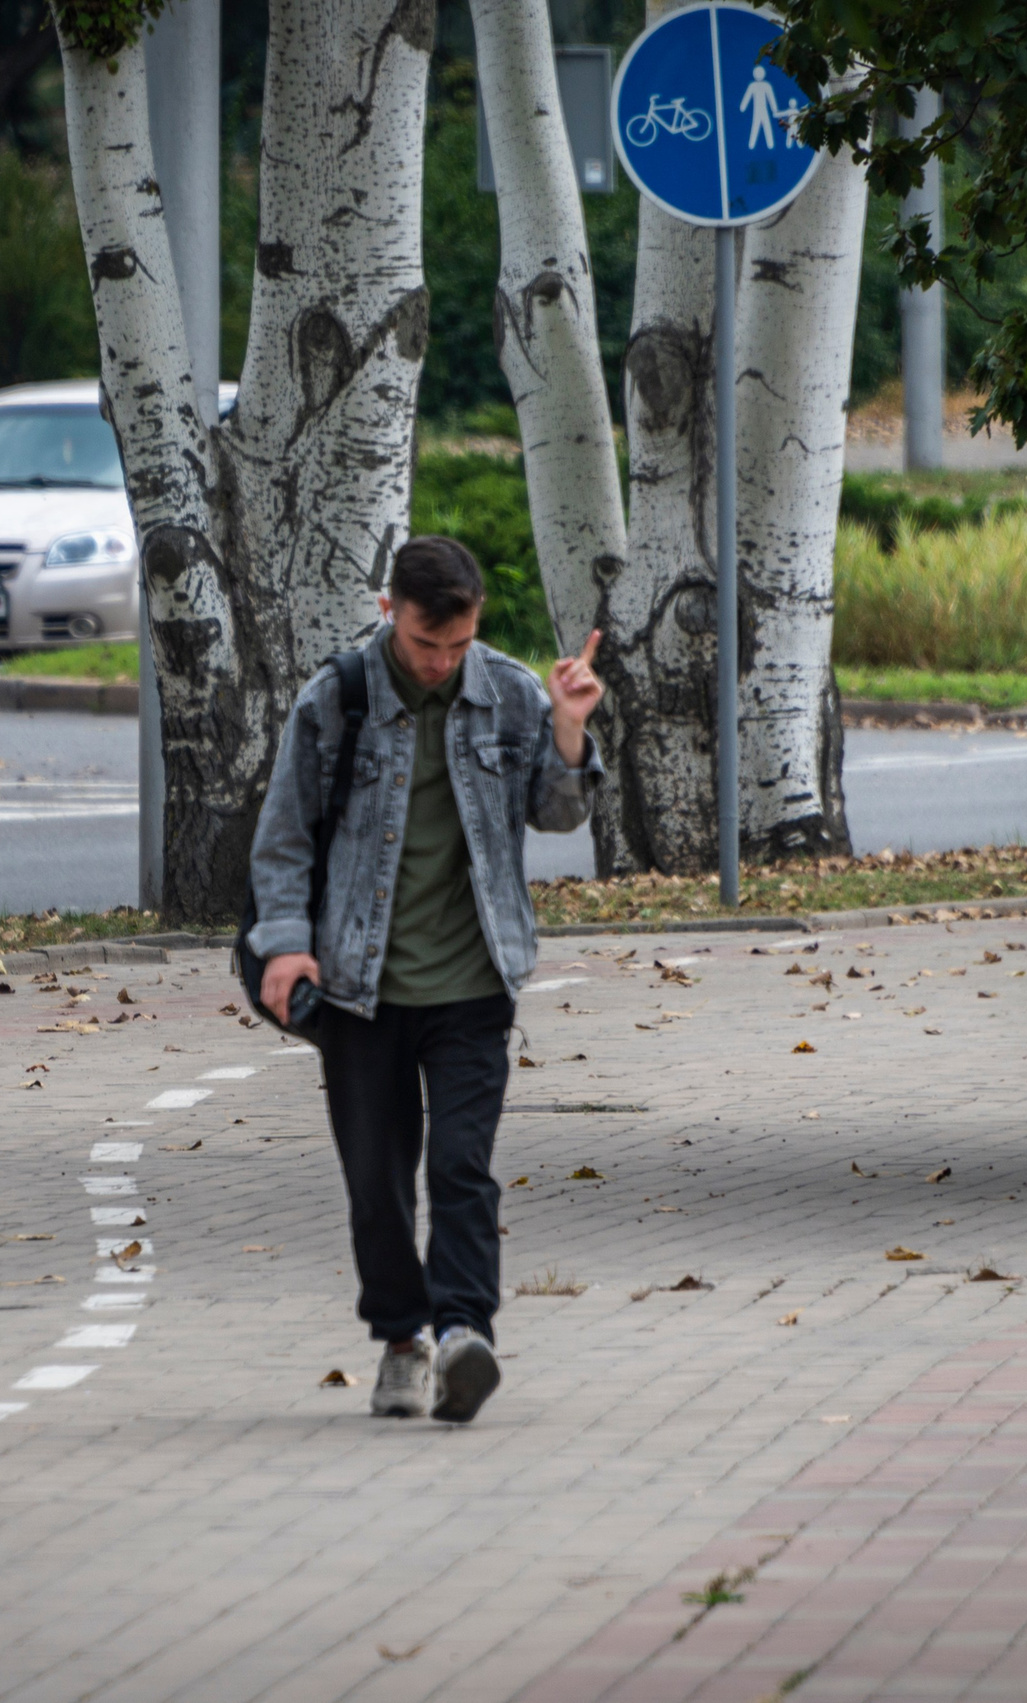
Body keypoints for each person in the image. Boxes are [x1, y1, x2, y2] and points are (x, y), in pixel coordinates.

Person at [248, 536, 604, 1424]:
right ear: (388, 612)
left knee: (461, 1167)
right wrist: (286, 945)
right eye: (423, 643)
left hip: (474, 981)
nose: (441, 661)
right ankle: (401, 1339)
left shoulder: (513, 692)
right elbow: (284, 837)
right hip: (359, 987)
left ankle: (461, 1333)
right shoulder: (338, 699)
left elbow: (556, 813)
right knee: (376, 1179)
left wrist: (568, 726)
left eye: (456, 643)